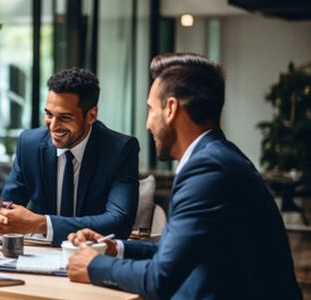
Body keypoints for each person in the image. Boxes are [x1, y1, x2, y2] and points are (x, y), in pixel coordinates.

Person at [66, 53, 302, 299]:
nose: (147, 124)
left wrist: (94, 265)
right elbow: (177, 251)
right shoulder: (216, 157)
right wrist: (116, 248)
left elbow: (160, 278)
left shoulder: (208, 171)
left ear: (171, 108)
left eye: (150, 109)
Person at [0, 68, 140, 246]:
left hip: (93, 255)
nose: (53, 126)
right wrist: (1, 218)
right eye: (48, 114)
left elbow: (119, 224)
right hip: (39, 254)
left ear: (91, 115)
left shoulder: (120, 150)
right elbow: (6, 208)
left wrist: (41, 224)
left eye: (65, 117)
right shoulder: (29, 144)